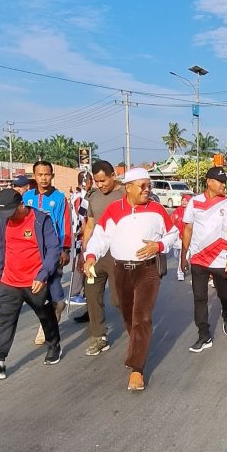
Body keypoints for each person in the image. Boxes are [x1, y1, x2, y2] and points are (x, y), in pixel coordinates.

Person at [85, 168, 178, 390]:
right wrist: (90, 257)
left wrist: (159, 245)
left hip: (147, 271)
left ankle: (137, 368)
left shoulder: (157, 210)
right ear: (128, 188)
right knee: (128, 315)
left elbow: (173, 233)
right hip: (121, 271)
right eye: (142, 186)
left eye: (149, 185)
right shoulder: (114, 210)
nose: (147, 190)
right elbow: (100, 237)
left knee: (141, 317)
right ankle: (137, 343)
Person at [0, 188, 61, 379]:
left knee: (45, 316)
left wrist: (43, 275)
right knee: (4, 320)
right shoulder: (6, 220)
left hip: (35, 282)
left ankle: (54, 344)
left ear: (22, 204)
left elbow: (54, 249)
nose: (8, 217)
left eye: (11, 212)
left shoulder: (40, 220)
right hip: (9, 282)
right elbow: (2, 246)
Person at [180, 166, 227, 353]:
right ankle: (203, 335)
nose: (224, 185)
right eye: (220, 182)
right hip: (198, 258)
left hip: (220, 258)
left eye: (225, 182)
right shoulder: (194, 202)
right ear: (209, 182)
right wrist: (184, 255)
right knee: (199, 298)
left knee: (225, 295)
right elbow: (188, 230)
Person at [23, 161, 72, 344]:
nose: (43, 178)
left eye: (47, 174)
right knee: (38, 292)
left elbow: (65, 225)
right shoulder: (27, 197)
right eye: (40, 174)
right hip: (33, 253)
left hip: (53, 251)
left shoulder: (59, 199)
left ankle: (57, 308)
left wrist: (64, 249)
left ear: (52, 176)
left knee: (54, 285)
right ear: (34, 176)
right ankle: (47, 322)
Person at [81, 160, 124, 355]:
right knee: (92, 294)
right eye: (97, 181)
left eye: (103, 180)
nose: (100, 185)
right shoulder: (93, 198)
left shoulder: (126, 194)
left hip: (118, 254)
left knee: (118, 298)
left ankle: (136, 326)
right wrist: (85, 251)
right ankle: (99, 337)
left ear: (113, 175)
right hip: (96, 254)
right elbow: (90, 225)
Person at [69, 170, 92, 303]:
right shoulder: (81, 197)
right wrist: (85, 234)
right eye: (91, 181)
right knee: (81, 261)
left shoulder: (76, 194)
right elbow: (82, 218)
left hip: (78, 232)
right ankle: (75, 292)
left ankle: (81, 290)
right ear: (87, 181)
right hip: (80, 233)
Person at [171, 192, 193, 282]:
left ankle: (180, 273)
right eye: (183, 200)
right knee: (176, 255)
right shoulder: (177, 211)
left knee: (182, 256)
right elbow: (171, 222)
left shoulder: (192, 212)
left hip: (187, 238)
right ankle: (184, 264)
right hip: (178, 237)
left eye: (186, 200)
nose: (184, 202)